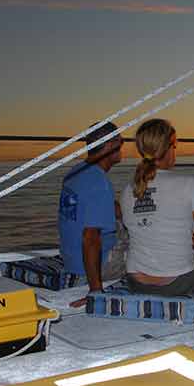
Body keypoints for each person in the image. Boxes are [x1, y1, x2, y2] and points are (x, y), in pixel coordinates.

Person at [120, 118, 194, 307]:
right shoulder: (187, 183)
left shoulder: (127, 190)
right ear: (168, 148)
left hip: (136, 283)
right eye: (175, 145)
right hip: (177, 283)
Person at [58, 121, 127, 308]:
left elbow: (106, 208)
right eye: (120, 142)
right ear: (110, 145)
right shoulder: (98, 182)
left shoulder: (76, 172)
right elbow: (90, 238)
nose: (123, 147)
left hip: (71, 260)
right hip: (93, 268)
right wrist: (96, 290)